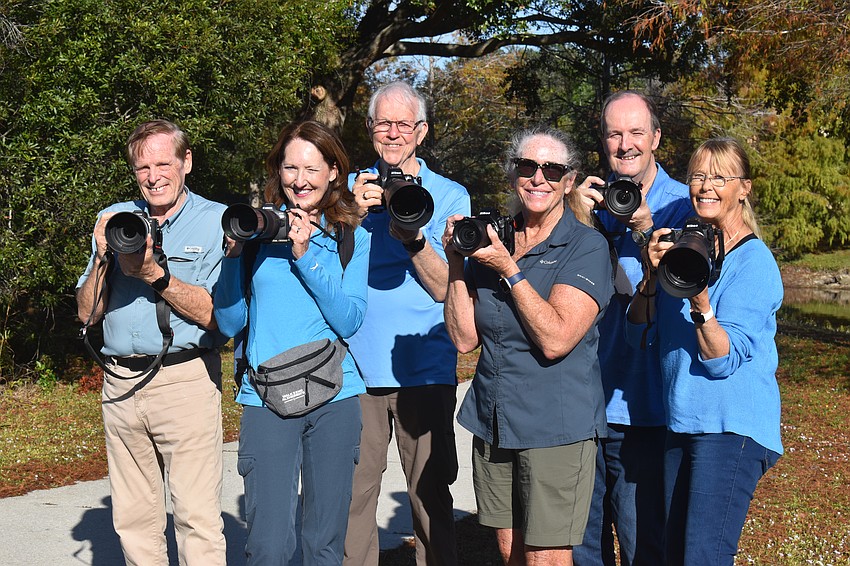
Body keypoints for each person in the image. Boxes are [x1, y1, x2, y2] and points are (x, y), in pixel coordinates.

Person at [443, 126, 613, 566]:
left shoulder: (586, 246)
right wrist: (456, 262)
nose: (539, 178)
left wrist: (509, 271)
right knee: (509, 554)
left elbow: (556, 339)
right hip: (495, 422)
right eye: (527, 166)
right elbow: (464, 339)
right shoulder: (494, 238)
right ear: (513, 174)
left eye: (552, 170)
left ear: (569, 181)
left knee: (546, 559)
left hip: (554, 428)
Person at [213, 120, 370, 565]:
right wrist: (233, 257)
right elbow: (227, 323)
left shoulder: (351, 237)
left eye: (311, 168)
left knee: (323, 544)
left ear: (334, 172)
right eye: (289, 168)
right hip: (266, 398)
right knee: (268, 545)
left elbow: (350, 318)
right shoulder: (256, 231)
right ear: (277, 171)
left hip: (336, 395)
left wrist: (306, 258)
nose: (299, 180)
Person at [76, 119, 228, 565]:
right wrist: (104, 258)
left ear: (187, 162)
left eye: (164, 163)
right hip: (120, 383)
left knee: (196, 518)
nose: (154, 176)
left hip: (185, 379)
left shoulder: (215, 221)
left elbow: (216, 315)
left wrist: (151, 274)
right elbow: (86, 313)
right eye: (143, 167)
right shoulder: (117, 218)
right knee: (134, 520)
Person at [625, 137, 783, 565]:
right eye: (697, 176)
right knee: (671, 553)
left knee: (703, 556)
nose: (706, 186)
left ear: (743, 188)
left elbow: (721, 360)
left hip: (730, 426)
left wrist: (700, 301)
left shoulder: (755, 264)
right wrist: (652, 277)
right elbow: (637, 327)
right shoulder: (685, 252)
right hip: (682, 420)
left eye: (719, 177)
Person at [344, 81, 470, 566]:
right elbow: (323, 273)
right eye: (383, 123)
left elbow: (445, 288)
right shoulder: (350, 189)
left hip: (424, 366)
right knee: (355, 496)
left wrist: (412, 235)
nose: (393, 133)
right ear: (371, 130)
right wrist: (350, 215)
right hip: (356, 366)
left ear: (421, 131)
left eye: (403, 124)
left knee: (429, 494)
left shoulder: (449, 194)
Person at [573, 91, 693, 566]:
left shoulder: (682, 207)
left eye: (636, 133)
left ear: (656, 138)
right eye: (614, 133)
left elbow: (682, 300)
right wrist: (577, 222)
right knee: (581, 546)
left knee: (645, 545)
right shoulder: (588, 206)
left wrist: (645, 229)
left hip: (646, 407)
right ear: (602, 142)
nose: (625, 144)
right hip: (583, 403)